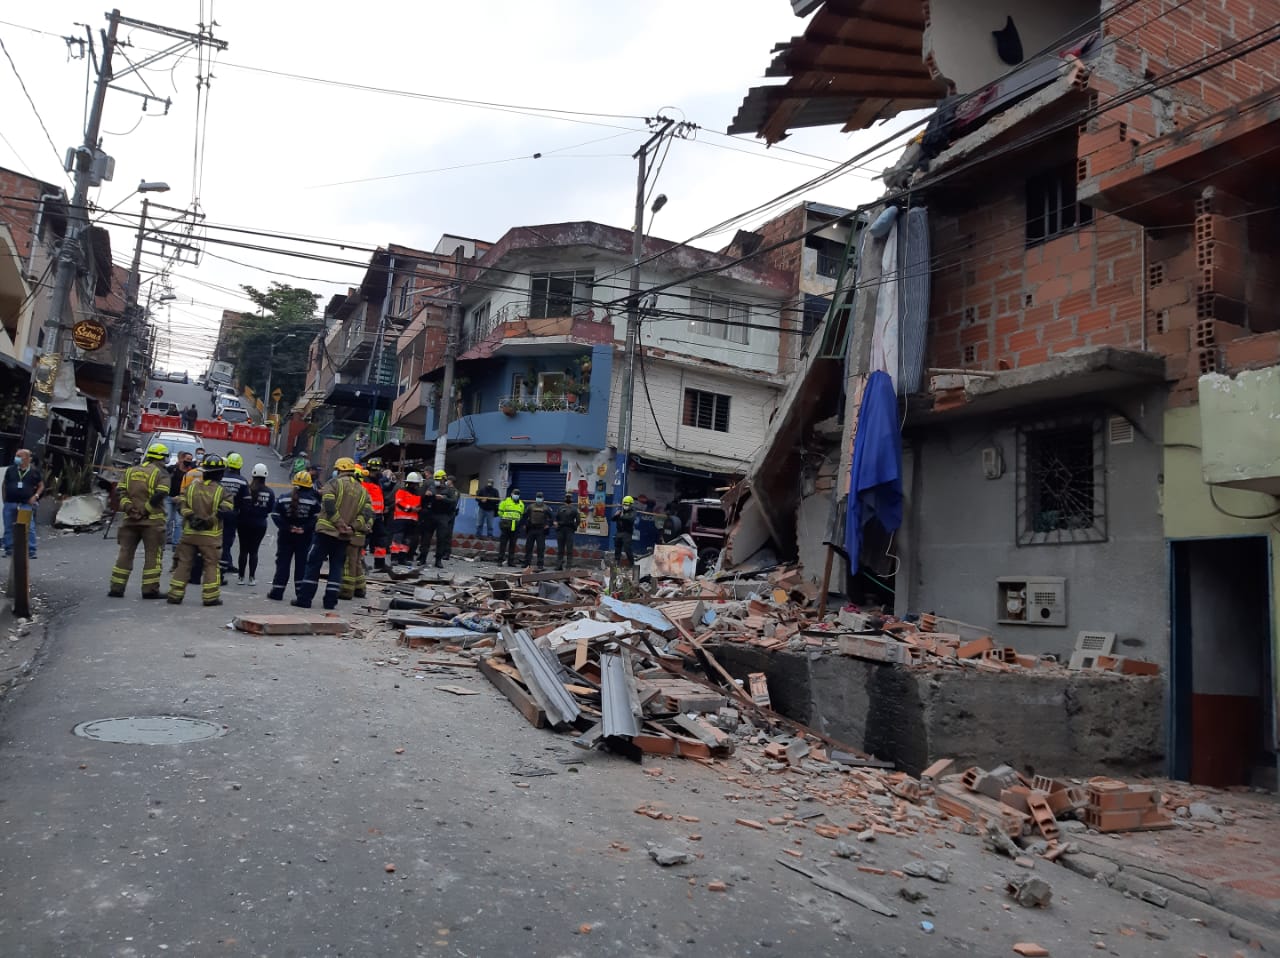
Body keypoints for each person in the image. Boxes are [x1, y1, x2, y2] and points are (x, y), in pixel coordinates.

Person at [293, 457, 370, 610]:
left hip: (326, 532)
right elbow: (366, 514)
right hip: (344, 536)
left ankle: (305, 599)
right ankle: (330, 602)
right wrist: (352, 528)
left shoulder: (334, 483)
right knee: (337, 568)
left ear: (340, 469)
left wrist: (339, 523)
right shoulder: (363, 490)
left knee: (313, 564)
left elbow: (328, 504)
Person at [167, 454, 233, 606]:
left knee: (184, 564)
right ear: (220, 473)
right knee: (211, 565)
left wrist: (191, 517)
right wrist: (208, 520)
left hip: (189, 534)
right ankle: (210, 597)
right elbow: (226, 510)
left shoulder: (192, 487)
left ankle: (175, 595)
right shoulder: (222, 491)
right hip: (210, 537)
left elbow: (181, 504)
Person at [107, 442, 169, 598]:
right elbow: (160, 494)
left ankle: (116, 588)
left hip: (130, 520)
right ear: (161, 458)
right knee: (152, 557)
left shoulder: (130, 471)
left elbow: (120, 492)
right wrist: (145, 510)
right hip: (152, 522)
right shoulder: (161, 473)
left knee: (125, 554)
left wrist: (129, 508)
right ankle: (149, 590)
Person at [267, 470, 320, 602]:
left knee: (282, 563)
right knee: (301, 564)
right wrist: (303, 528)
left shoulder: (284, 498)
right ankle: (300, 593)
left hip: (285, 536)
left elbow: (275, 515)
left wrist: (288, 527)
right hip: (304, 537)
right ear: (309, 485)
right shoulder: (313, 502)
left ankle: (277, 591)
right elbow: (316, 519)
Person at [236, 463, 275, 585]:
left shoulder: (247, 489)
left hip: (244, 522)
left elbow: (239, 504)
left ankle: (241, 577)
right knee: (254, 551)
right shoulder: (269, 492)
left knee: (243, 550)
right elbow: (270, 509)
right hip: (260, 524)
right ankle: (252, 578)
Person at [339, 465, 374, 600]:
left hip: (353, 534)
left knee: (349, 563)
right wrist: (367, 527)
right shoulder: (365, 493)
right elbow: (370, 515)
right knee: (356, 562)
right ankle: (360, 589)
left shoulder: (356, 494)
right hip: (361, 535)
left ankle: (346, 591)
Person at [2, 447, 42, 559]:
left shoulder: (34, 471)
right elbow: (4, 484)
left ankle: (31, 550)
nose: (17, 458)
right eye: (16, 456)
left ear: (28, 458)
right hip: (10, 502)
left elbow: (41, 486)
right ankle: (9, 549)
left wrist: (36, 496)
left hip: (26, 503)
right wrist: (4, 500)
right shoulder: (11, 470)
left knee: (29, 527)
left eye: (20, 456)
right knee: (9, 526)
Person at [219, 452, 249, 579]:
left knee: (214, 537)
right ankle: (224, 565)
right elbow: (246, 501)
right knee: (227, 540)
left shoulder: (220, 477)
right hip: (232, 514)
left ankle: (215, 563)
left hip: (218, 512)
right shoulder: (242, 481)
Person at [417, 469, 452, 568]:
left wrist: (443, 498)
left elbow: (452, 502)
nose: (438, 481)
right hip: (430, 515)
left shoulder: (449, 490)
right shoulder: (430, 487)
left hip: (442, 516)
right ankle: (422, 558)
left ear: (444, 479)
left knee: (441, 539)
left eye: (440, 479)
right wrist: (426, 495)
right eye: (437, 479)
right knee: (426, 539)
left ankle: (438, 560)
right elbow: (420, 498)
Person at [360, 457, 388, 570]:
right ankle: (359, 562)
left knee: (381, 538)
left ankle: (380, 563)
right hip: (368, 515)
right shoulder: (365, 482)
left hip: (378, 515)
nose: (377, 473)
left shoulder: (377, 482)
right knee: (364, 539)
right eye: (375, 471)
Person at [391, 471, 423, 559]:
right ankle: (394, 557)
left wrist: (419, 509)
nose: (417, 486)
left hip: (412, 520)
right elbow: (399, 503)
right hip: (400, 519)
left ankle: (402, 557)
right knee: (398, 539)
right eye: (415, 484)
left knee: (407, 540)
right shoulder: (401, 491)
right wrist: (411, 509)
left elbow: (420, 505)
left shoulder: (418, 494)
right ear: (411, 483)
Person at [166, 452, 195, 547]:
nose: (188, 461)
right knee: (167, 519)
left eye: (190, 460)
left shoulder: (191, 472)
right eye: (187, 459)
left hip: (182, 499)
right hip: (169, 497)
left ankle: (176, 543)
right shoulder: (172, 469)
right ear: (182, 459)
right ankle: (166, 539)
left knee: (179, 521)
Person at [522, 490, 552, 570]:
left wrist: (548, 525)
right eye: (538, 497)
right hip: (531, 529)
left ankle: (540, 564)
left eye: (540, 497)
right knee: (528, 547)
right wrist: (525, 524)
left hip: (541, 530)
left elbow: (552, 518)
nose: (539, 499)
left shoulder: (546, 508)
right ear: (535, 498)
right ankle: (526, 563)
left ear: (543, 498)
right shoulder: (530, 506)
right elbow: (525, 516)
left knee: (541, 548)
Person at [496, 488, 524, 566]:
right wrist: (506, 520)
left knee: (512, 545)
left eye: (517, 494)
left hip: (515, 527)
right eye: (515, 494)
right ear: (511, 494)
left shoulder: (521, 504)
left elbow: (521, 515)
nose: (516, 495)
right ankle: (500, 561)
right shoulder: (505, 501)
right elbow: (500, 512)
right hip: (506, 526)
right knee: (503, 544)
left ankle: (510, 561)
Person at [554, 493, 582, 571]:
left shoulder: (562, 508)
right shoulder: (574, 509)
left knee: (562, 549)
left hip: (565, 530)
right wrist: (574, 527)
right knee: (566, 549)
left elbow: (556, 519)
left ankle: (561, 566)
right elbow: (578, 520)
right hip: (567, 530)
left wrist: (574, 527)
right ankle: (566, 566)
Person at [612, 495, 638, 566]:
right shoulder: (621, 511)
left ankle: (631, 563)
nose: (625, 506)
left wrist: (621, 516)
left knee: (627, 548)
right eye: (624, 504)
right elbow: (613, 519)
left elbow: (630, 518)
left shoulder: (632, 512)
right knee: (617, 547)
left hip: (627, 533)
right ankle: (616, 562)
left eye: (627, 505)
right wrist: (616, 515)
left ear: (630, 505)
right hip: (619, 532)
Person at [441, 475, 460, 560]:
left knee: (448, 534)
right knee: (442, 533)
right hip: (445, 514)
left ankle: (446, 553)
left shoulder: (455, 491)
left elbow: (454, 502)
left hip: (450, 514)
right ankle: (441, 552)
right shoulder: (446, 489)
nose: (446, 482)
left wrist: (443, 498)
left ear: (451, 481)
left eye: (448, 480)